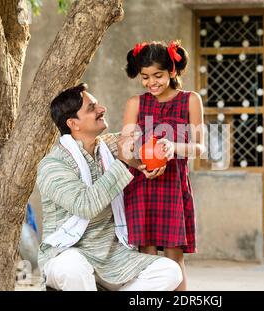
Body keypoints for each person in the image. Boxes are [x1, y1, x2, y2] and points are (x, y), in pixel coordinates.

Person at [36, 83, 182, 291]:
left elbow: (144, 141)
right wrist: (122, 163)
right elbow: (85, 205)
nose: (102, 109)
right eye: (92, 108)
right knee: (72, 268)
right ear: (73, 123)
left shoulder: (108, 146)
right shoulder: (53, 165)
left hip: (113, 257)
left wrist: (162, 148)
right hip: (68, 252)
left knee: (169, 271)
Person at [122, 40, 205, 291]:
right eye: (145, 77)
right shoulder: (135, 103)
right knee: (146, 258)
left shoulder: (190, 100)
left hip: (173, 187)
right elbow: (124, 149)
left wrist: (173, 148)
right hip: (142, 184)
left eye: (158, 75)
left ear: (172, 71)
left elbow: (200, 148)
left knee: (173, 258)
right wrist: (139, 165)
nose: (151, 83)